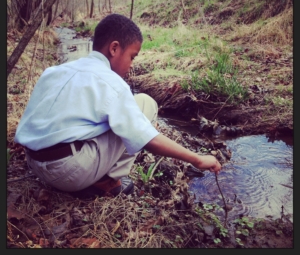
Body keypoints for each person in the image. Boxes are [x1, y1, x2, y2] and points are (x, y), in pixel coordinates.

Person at [14, 13, 221, 198]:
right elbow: (146, 138)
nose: (131, 65)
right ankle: (106, 183)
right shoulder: (112, 83)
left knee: (112, 118)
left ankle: (92, 176)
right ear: (114, 48)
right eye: (132, 56)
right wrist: (197, 159)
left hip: (35, 165)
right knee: (144, 104)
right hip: (69, 173)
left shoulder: (55, 71)